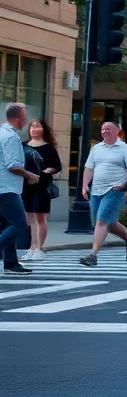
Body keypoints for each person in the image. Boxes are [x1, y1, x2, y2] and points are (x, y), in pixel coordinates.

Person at [80, 121, 127, 266]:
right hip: (97, 190)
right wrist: (84, 185)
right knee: (107, 222)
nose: (105, 131)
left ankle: (93, 255)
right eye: (103, 129)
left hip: (115, 191)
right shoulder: (97, 148)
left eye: (109, 129)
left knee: (101, 222)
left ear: (117, 131)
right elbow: (89, 168)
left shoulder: (124, 149)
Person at [0, 103, 39, 275]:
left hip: (4, 187)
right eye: (24, 117)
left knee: (6, 225)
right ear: (17, 118)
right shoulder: (10, 137)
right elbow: (12, 165)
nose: (26, 121)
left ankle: (10, 262)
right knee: (19, 224)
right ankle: (10, 262)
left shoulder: (2, 133)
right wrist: (30, 175)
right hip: (6, 188)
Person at [21, 118, 61, 260]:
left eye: (37, 126)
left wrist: (47, 171)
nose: (33, 129)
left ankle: (39, 248)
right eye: (32, 126)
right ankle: (32, 247)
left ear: (43, 129)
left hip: (42, 186)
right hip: (26, 186)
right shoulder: (23, 145)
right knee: (29, 216)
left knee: (40, 216)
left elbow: (57, 166)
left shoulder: (48, 148)